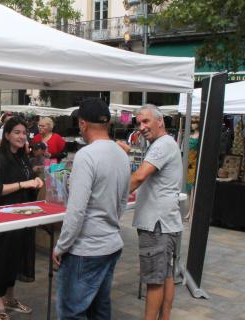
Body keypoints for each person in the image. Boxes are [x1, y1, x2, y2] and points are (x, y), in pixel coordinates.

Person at [52, 98, 130, 319]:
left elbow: (76, 210)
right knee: (99, 309)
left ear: (83, 124)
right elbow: (123, 201)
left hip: (86, 249)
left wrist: (61, 246)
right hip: (110, 243)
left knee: (71, 312)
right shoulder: (121, 154)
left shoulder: (86, 155)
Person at [124, 105, 183, 320]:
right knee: (165, 276)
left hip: (156, 224)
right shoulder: (164, 144)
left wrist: (113, 197)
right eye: (139, 123)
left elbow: (139, 176)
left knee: (154, 280)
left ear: (160, 121)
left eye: (146, 121)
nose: (141, 127)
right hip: (166, 222)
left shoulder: (162, 145)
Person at [0, 117, 44, 320]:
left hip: (21, 216)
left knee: (16, 256)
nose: (21, 136)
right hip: (3, 218)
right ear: (7, 135)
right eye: (16, 132)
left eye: (24, 133)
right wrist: (24, 184)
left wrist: (34, 179)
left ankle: (10, 297)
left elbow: (25, 178)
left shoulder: (22, 157)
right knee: (1, 258)